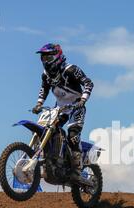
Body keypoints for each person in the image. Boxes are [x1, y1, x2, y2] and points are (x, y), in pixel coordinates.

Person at [32, 43, 94, 184]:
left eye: (48, 58)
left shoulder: (71, 69)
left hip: (76, 106)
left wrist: (83, 100)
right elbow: (44, 89)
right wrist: (39, 104)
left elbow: (88, 83)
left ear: (57, 57)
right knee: (48, 130)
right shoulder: (46, 75)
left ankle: (77, 170)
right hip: (59, 108)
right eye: (43, 58)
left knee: (72, 136)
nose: (45, 61)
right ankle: (51, 160)